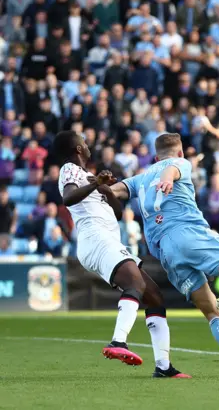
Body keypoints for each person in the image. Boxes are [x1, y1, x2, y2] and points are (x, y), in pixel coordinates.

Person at [107, 133, 219, 377]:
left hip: (166, 253)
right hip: (189, 233)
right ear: (180, 153)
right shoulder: (181, 163)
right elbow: (172, 169)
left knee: (211, 312)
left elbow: (114, 190)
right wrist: (169, 178)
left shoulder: (140, 179)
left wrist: (94, 186)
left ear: (155, 157)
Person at [53, 131, 188, 378]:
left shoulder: (89, 176)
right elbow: (68, 198)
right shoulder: (69, 169)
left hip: (108, 240)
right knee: (135, 282)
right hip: (96, 238)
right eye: (82, 140)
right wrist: (95, 184)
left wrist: (105, 189)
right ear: (78, 149)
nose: (86, 142)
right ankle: (118, 342)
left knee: (155, 296)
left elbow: (115, 212)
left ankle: (164, 367)